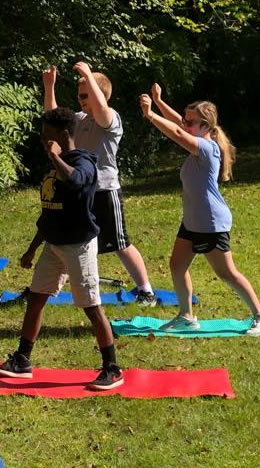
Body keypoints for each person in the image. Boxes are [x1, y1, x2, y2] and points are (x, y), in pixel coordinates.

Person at [0, 108, 123, 390]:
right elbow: (50, 212)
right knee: (36, 298)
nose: (43, 141)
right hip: (54, 244)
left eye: (47, 136)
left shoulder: (84, 162)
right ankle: (22, 360)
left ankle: (112, 368)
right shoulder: (55, 165)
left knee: (91, 306)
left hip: (78, 245)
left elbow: (76, 181)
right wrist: (31, 249)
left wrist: (55, 156)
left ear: (64, 135)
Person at [139, 86, 260, 335]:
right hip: (192, 222)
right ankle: (186, 316)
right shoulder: (197, 142)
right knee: (177, 265)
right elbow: (179, 125)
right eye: (186, 120)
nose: (185, 124)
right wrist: (158, 101)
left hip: (210, 222)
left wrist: (150, 115)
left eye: (191, 122)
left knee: (227, 273)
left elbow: (177, 132)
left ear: (205, 126)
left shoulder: (207, 148)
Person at [43, 63, 156, 306]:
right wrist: (49, 86)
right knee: (69, 239)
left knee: (120, 243)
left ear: (99, 94)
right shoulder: (80, 119)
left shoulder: (111, 118)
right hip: (80, 190)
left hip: (105, 190)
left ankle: (146, 291)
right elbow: (54, 120)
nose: (81, 100)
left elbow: (102, 109)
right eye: (79, 96)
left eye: (85, 95)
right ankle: (49, 288)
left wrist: (88, 75)